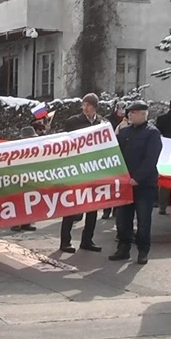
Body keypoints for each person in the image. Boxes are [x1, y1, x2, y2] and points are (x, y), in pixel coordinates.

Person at [109, 101, 163, 265]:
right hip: (125, 184)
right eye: (129, 112)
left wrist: (137, 178)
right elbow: (112, 149)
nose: (130, 115)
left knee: (143, 219)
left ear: (143, 114)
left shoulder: (152, 133)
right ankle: (123, 248)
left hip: (144, 185)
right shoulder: (125, 132)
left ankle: (142, 250)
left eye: (133, 112)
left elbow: (151, 159)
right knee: (123, 218)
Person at [59, 93, 105, 254]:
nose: (85, 107)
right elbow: (65, 144)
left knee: (93, 208)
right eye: (83, 104)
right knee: (71, 206)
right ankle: (65, 241)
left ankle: (87, 240)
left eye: (88, 105)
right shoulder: (73, 122)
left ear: (95, 106)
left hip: (94, 170)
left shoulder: (102, 124)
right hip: (76, 170)